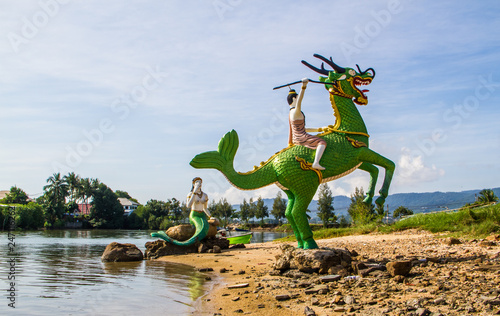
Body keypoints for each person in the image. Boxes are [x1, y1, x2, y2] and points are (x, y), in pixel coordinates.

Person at [288, 78, 327, 170]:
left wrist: (320, 129)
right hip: (301, 138)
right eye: (297, 98)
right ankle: (316, 162)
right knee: (322, 142)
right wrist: (304, 86)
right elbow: (300, 101)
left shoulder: (290, 113)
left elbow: (303, 129)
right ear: (294, 98)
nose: (298, 100)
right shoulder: (295, 111)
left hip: (297, 137)